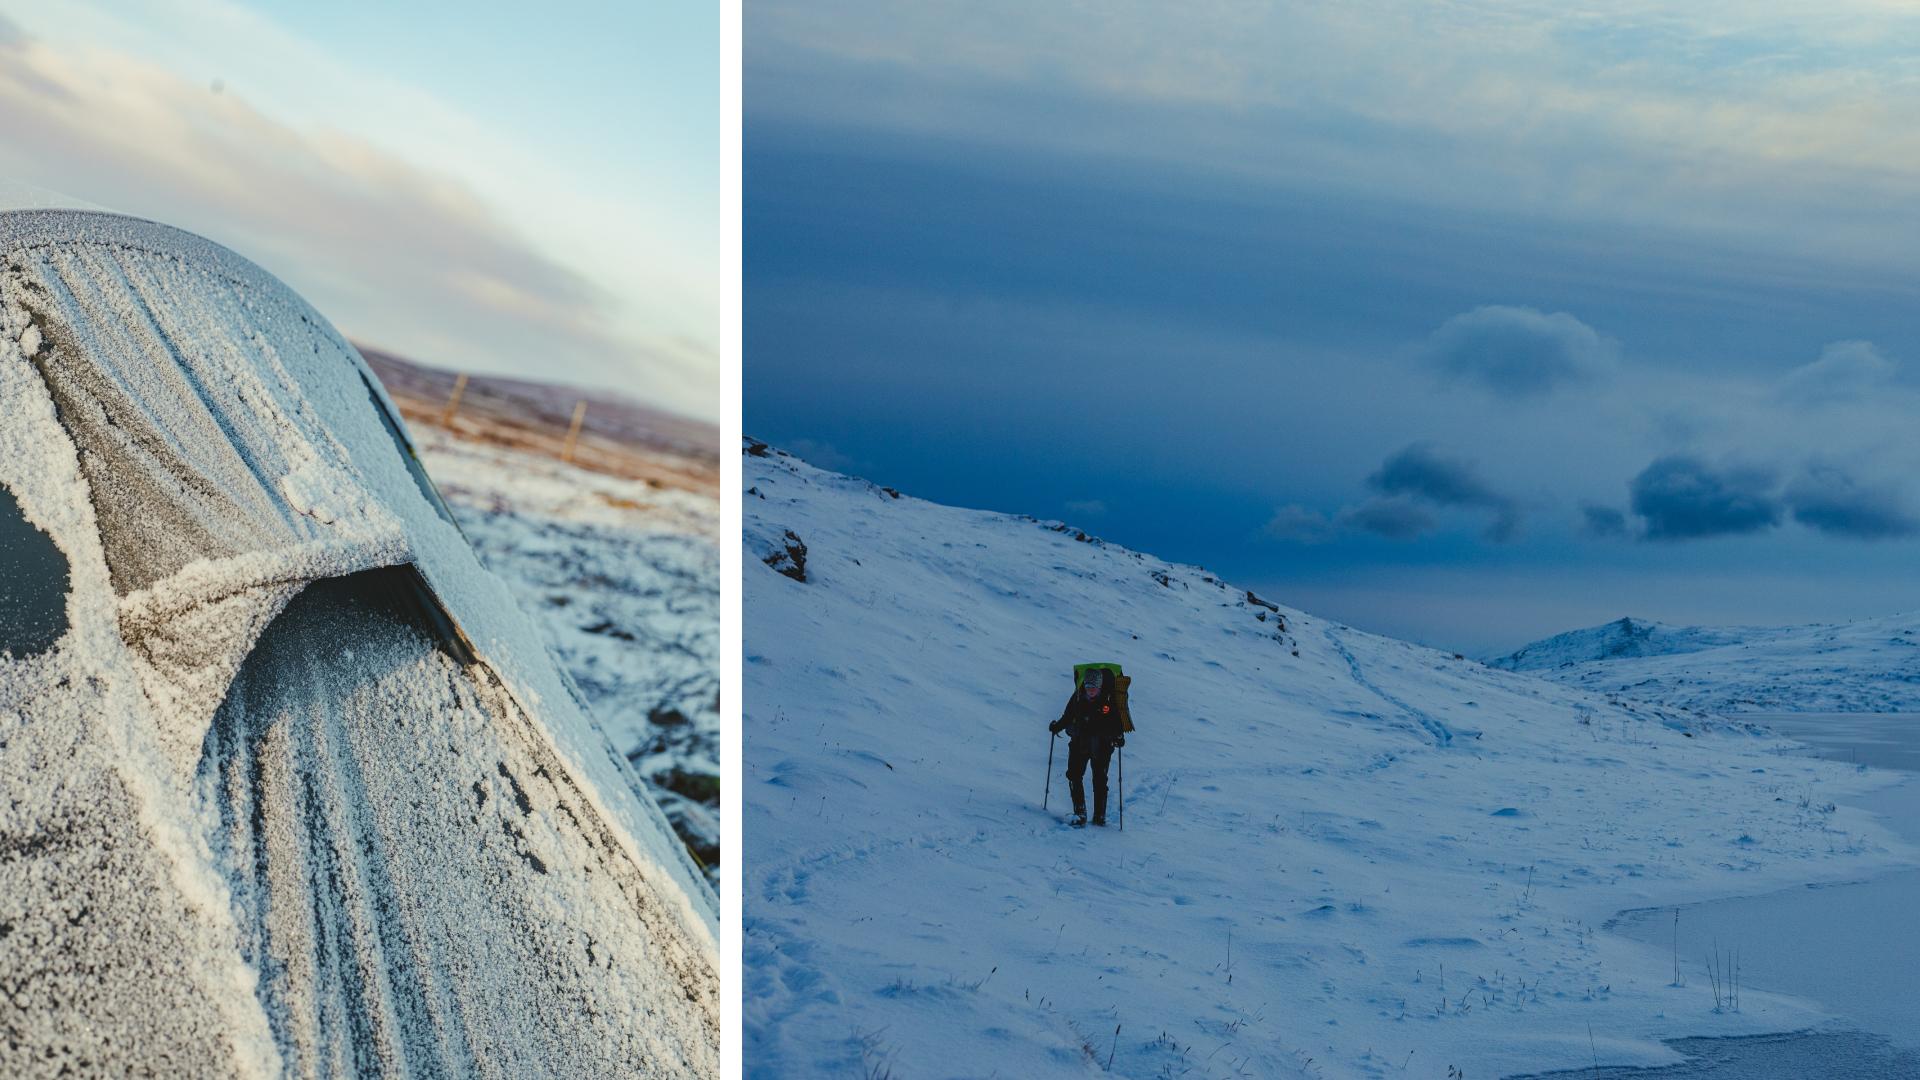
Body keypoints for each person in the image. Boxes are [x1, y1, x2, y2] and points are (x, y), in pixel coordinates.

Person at [1048, 667, 1125, 827]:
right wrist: (1057, 726)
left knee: (1099, 780)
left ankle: (1100, 816)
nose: (1091, 691)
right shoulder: (1077, 697)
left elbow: (1117, 723)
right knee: (1074, 775)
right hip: (1079, 743)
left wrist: (1119, 737)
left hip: (1102, 746)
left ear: (1100, 686)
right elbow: (1068, 715)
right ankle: (1080, 812)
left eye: (1094, 688)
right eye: (1088, 687)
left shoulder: (1108, 701)